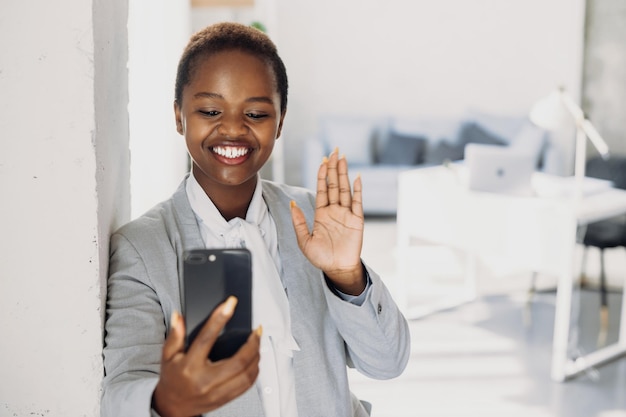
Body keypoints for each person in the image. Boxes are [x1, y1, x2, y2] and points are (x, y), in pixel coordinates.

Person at [101, 21, 410, 417]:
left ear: (280, 122)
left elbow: (388, 363)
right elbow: (119, 393)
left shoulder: (315, 218)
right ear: (179, 116)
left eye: (256, 113)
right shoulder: (142, 248)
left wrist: (347, 276)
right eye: (210, 110)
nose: (232, 127)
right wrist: (163, 400)